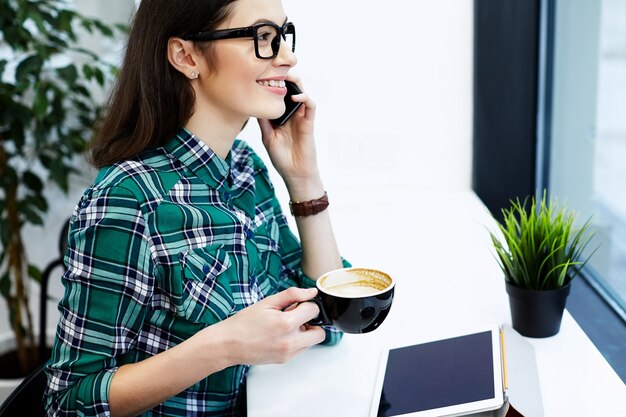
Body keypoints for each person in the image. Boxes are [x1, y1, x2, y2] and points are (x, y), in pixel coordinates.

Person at [44, 0, 348, 415]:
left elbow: (330, 308)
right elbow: (68, 402)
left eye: (283, 36)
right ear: (186, 57)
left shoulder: (244, 168)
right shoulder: (128, 198)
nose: (287, 57)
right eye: (262, 38)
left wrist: (304, 180)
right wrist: (222, 346)